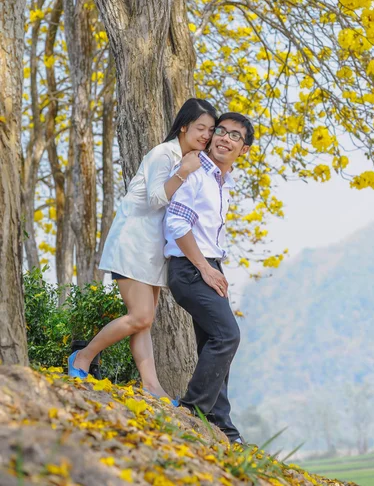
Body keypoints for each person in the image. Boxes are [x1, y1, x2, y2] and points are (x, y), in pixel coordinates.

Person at [68, 98, 217, 402]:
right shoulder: (164, 155)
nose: (205, 135)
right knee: (140, 317)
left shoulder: (190, 159)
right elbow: (153, 200)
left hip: (153, 251)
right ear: (184, 126)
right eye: (200, 127)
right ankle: (82, 357)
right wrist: (183, 172)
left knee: (144, 323)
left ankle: (152, 387)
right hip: (132, 243)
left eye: (210, 130)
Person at [164, 111, 254, 442]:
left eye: (235, 136)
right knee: (227, 336)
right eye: (221, 131)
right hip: (190, 269)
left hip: (209, 266)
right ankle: (192, 411)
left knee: (214, 344)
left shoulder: (221, 181)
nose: (225, 138)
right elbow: (176, 224)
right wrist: (204, 268)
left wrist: (214, 267)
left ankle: (223, 426)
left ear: (243, 150)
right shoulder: (196, 172)